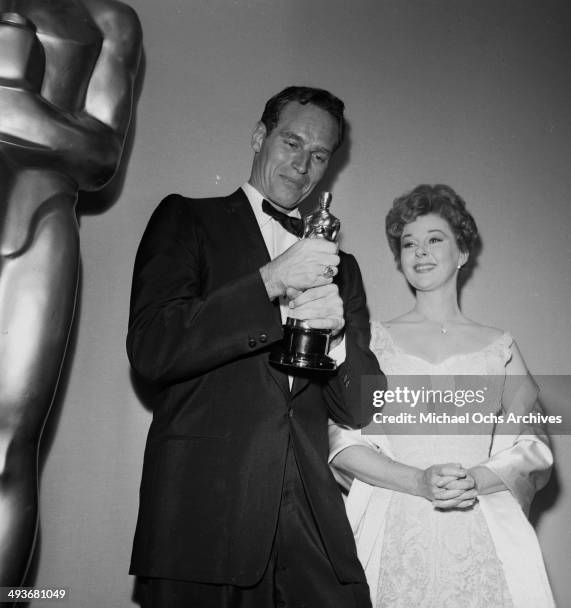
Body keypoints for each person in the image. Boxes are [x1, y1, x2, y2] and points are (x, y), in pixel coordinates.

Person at [127, 86, 383, 607]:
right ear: (259, 136)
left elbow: (360, 407)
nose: (302, 164)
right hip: (202, 519)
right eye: (291, 142)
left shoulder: (344, 267)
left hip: (312, 526)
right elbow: (152, 348)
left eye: (319, 155)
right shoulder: (187, 219)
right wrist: (267, 281)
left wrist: (334, 342)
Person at [329, 184, 555, 608]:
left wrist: (475, 479)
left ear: (463, 253)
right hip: (391, 528)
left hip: (477, 528)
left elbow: (533, 443)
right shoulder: (371, 342)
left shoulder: (499, 346)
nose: (420, 252)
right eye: (408, 243)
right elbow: (341, 441)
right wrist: (417, 481)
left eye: (435, 239)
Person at [0, 1, 142, 586]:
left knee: (6, 447)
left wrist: (12, 96)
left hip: (36, 224)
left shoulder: (107, 19)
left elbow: (101, 154)